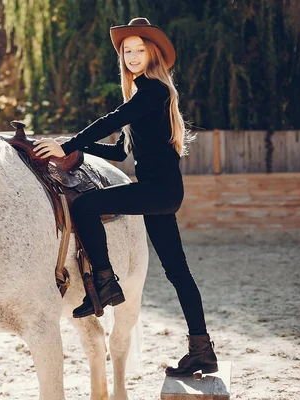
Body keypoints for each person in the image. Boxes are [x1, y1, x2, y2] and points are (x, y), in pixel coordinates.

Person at [33, 17, 218, 377]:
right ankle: (202, 349)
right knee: (178, 272)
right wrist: (80, 155)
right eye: (127, 51)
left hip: (156, 192)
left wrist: (67, 143)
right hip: (160, 194)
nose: (132, 56)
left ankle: (104, 281)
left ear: (153, 54)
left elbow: (112, 119)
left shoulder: (154, 90)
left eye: (139, 49)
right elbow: (120, 153)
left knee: (86, 205)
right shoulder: (143, 97)